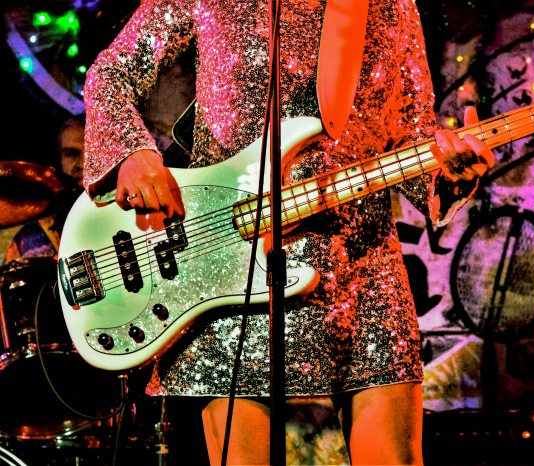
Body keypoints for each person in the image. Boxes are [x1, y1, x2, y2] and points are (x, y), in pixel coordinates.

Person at [81, 0, 494, 464]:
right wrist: (133, 152)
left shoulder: (391, 5)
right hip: (232, 261)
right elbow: (110, 73)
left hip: (363, 261)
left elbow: (409, 133)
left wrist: (448, 170)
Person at [3, 115, 85, 264]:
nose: (82, 163)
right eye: (71, 154)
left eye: (91, 152)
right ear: (59, 161)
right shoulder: (27, 240)